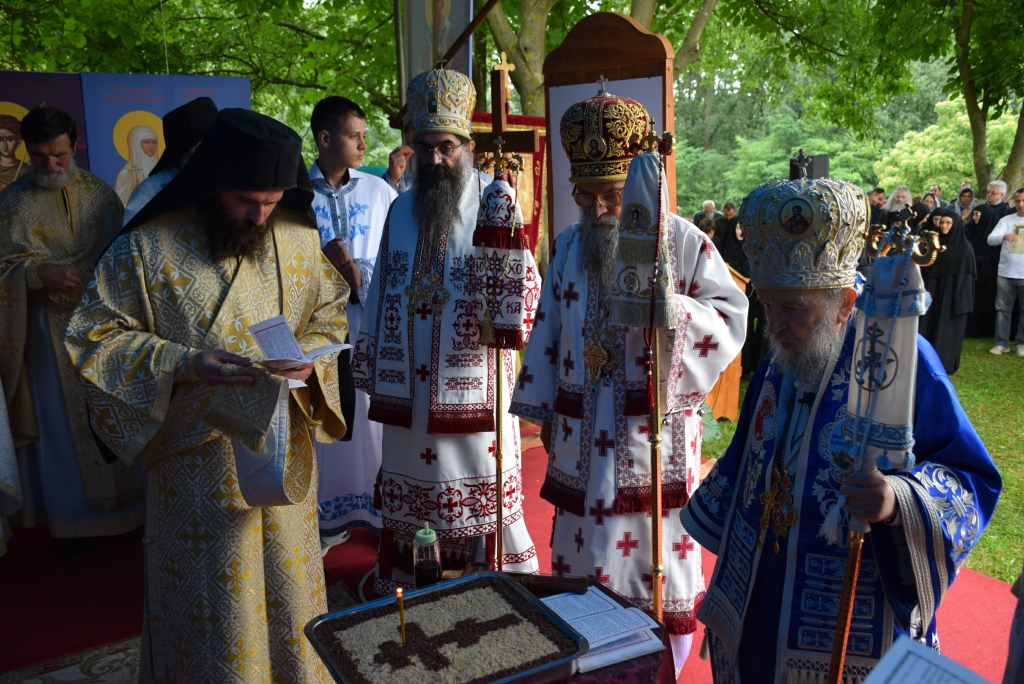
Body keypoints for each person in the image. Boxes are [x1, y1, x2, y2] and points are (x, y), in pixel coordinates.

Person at [66, 108, 349, 683]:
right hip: (197, 464)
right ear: (214, 180)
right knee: (218, 614)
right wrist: (183, 363)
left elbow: (328, 314)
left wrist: (309, 360)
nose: (260, 215)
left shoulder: (297, 238)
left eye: (272, 201)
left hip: (281, 447)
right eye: (246, 200)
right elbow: (93, 336)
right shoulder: (146, 247)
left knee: (291, 592)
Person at [681, 177, 1001, 683]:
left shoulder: (903, 360)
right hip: (759, 594)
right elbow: (747, 458)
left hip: (848, 619)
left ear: (845, 303)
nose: (774, 327)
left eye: (793, 309)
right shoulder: (782, 357)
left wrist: (896, 499)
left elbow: (971, 479)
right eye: (768, 305)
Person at [510, 86, 747, 675]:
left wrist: (670, 311)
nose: (596, 211)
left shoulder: (683, 240)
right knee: (583, 563)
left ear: (639, 184)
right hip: (580, 435)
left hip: (650, 440)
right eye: (584, 196)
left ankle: (658, 668)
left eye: (611, 196)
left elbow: (731, 317)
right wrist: (543, 405)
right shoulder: (568, 245)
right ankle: (585, 656)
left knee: (652, 567)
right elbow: (549, 327)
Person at [351, 69, 539, 593]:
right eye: (425, 147)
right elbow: (381, 289)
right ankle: (413, 581)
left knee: (479, 482)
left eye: (447, 148)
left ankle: (492, 582)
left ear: (469, 147)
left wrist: (502, 300)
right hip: (408, 393)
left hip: (473, 386)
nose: (435, 159)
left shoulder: (494, 201)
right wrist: (371, 363)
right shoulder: (399, 210)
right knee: (413, 488)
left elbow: (526, 288)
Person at [0, 106, 143, 552]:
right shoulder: (12, 203)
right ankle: (72, 521)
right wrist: (36, 274)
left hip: (104, 328)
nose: (51, 164)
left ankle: (132, 513)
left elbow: (126, 254)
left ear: (74, 145)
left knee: (114, 409)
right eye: (40, 156)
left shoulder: (100, 194)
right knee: (61, 424)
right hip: (46, 332)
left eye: (59, 154)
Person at [308, 96, 397, 552]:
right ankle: (331, 518)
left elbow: (399, 255)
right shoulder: (296, 196)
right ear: (325, 139)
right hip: (322, 329)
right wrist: (327, 267)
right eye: (353, 136)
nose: (363, 145)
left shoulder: (379, 192)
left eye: (363, 136)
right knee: (332, 415)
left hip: (373, 320)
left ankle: (382, 512)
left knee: (375, 417)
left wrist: (359, 271)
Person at [122, 97, 219, 225]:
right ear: (182, 152)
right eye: (201, 148)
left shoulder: (226, 185)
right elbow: (131, 235)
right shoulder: (150, 192)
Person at [919, 209, 976, 373]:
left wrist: (960, 304)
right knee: (928, 327)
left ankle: (944, 363)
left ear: (956, 225)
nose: (944, 226)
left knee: (945, 330)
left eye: (948, 223)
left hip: (951, 296)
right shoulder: (934, 246)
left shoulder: (964, 248)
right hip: (933, 292)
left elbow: (966, 278)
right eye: (942, 222)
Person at [987, 188, 1024, 356]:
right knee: (1002, 309)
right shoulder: (1006, 220)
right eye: (1017, 201)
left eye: (1023, 201)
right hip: (1006, 273)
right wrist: (1004, 237)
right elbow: (990, 239)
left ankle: (1021, 343)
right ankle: (1001, 343)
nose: (1020, 204)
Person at [966, 203, 1002, 338]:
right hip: (971, 274)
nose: (974, 218)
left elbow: (995, 255)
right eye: (974, 214)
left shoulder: (993, 234)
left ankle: (983, 329)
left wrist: (979, 260)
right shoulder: (970, 231)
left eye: (977, 214)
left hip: (987, 276)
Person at [114, 124, 159, 204]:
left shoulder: (162, 169)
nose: (151, 146)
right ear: (136, 144)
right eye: (146, 142)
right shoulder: (127, 174)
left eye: (153, 142)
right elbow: (121, 204)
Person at [0, 114, 27, 192]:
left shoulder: (26, 172)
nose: (4, 145)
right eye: (0, 139)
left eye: (10, 139)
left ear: (18, 142)